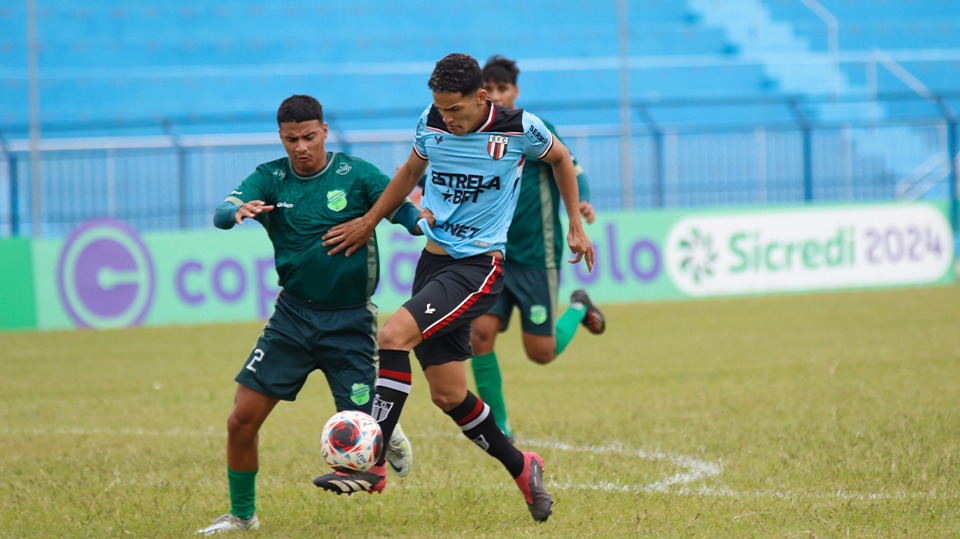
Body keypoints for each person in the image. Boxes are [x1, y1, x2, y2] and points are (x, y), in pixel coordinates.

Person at [312, 53, 595, 523]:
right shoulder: (431, 122)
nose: (447, 118)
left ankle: (374, 463)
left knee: (391, 336)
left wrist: (575, 225)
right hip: (433, 264)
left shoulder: (520, 128)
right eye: (440, 108)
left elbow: (562, 159)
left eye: (455, 109)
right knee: (448, 395)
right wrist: (370, 220)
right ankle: (523, 466)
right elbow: (408, 173)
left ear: (481, 97)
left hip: (479, 266)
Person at [197, 94, 421, 535]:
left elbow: (403, 211)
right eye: (291, 139)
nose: (300, 147)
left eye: (308, 137)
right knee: (241, 420)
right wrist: (236, 212)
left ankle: (382, 429)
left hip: (351, 323)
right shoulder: (270, 178)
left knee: (361, 447)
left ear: (324, 132)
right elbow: (224, 212)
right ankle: (243, 517)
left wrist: (423, 223)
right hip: (293, 320)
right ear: (281, 138)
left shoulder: (356, 175)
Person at [471, 55, 606, 442]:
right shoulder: (477, 135)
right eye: (490, 90)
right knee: (479, 335)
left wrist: (582, 205)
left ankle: (579, 306)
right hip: (492, 255)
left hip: (536, 256)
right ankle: (498, 426)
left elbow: (573, 169)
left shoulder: (535, 129)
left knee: (541, 352)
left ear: (515, 91)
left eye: (503, 89)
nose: (496, 96)